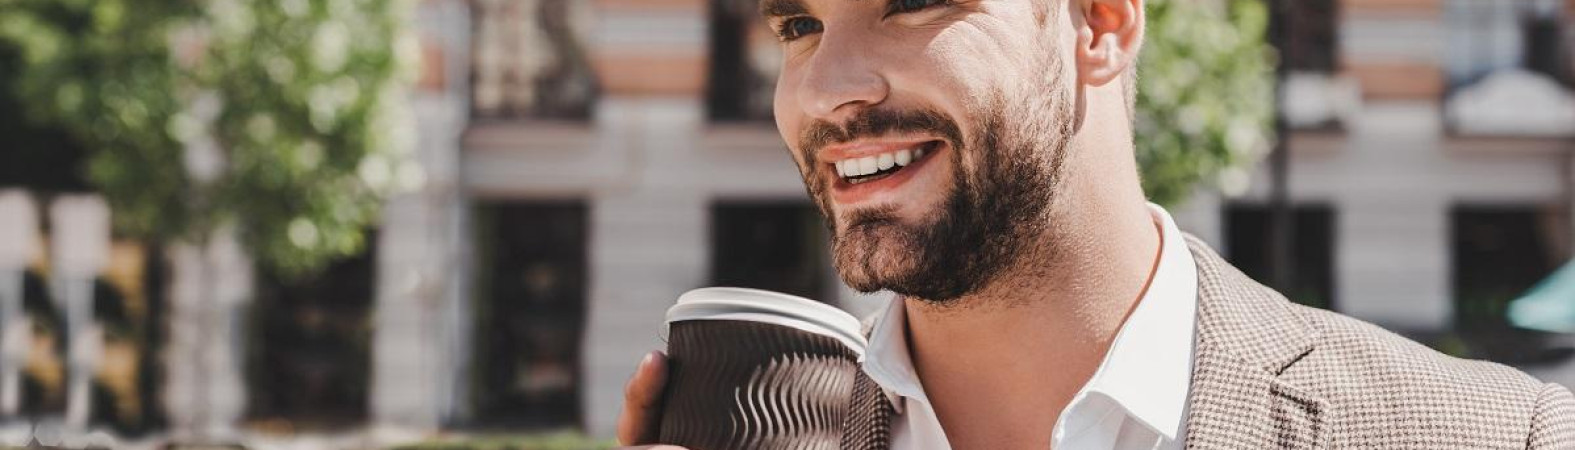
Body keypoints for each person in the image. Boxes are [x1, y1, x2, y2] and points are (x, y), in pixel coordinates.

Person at [617, 0, 1575, 448]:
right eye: (797, 27)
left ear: (1101, 25)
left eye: (911, 5)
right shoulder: (762, 435)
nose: (827, 89)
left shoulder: (1504, 436)